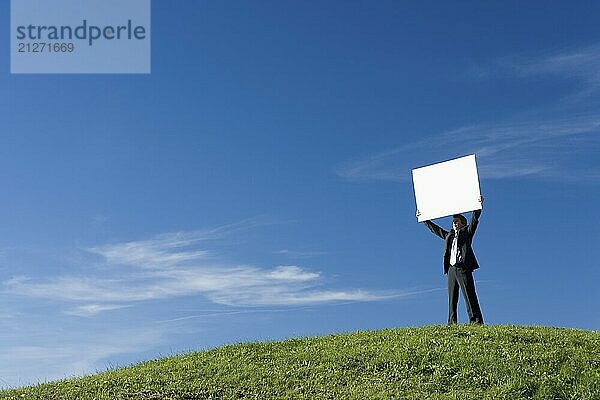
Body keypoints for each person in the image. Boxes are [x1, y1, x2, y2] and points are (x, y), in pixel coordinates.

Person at [417, 196, 484, 324]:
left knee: (469, 295)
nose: (454, 223)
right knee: (452, 298)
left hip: (463, 268)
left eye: (457, 221)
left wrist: (478, 206)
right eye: (454, 221)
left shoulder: (467, 233)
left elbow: (474, 220)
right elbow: (436, 230)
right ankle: (452, 323)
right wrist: (424, 219)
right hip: (451, 269)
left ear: (462, 223)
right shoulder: (449, 235)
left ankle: (475, 321)